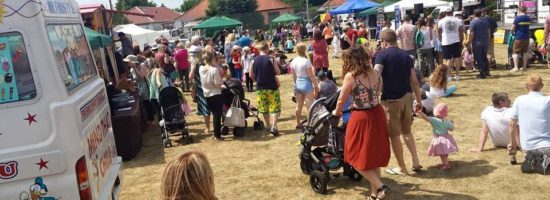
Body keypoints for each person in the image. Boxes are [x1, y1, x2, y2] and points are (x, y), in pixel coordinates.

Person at [332, 46, 390, 200]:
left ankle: (380, 187)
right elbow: (378, 93)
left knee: (353, 156)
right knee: (373, 156)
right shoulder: (376, 73)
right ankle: (374, 194)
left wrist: (336, 112)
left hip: (361, 117)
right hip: (377, 114)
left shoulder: (351, 76)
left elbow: (341, 98)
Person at [374, 30, 423, 175]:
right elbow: (414, 80)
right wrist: (419, 100)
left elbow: (376, 75)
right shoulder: (406, 56)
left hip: (390, 100)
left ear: (384, 41)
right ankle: (415, 161)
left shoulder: (381, 56)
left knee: (394, 135)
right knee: (407, 131)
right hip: (407, 97)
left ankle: (402, 168)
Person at [508, 75, 550, 166]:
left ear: (526, 86)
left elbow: (512, 124)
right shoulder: (548, 100)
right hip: (547, 145)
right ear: (542, 86)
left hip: (528, 148)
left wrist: (513, 145)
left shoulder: (519, 100)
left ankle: (538, 161)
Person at [249, 42, 281, 136]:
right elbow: (278, 72)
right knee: (274, 107)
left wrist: (257, 80)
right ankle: (274, 126)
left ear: (259, 50)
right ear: (267, 49)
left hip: (260, 87)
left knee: (264, 108)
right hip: (272, 87)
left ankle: (269, 125)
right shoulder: (271, 59)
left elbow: (250, 75)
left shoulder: (253, 60)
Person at [417, 103, 458, 170]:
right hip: (447, 138)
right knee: (444, 151)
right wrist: (452, 123)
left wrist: (420, 112)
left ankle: (446, 165)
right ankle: (446, 160)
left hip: (439, 139)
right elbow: (452, 129)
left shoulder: (434, 120)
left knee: (442, 154)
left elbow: (426, 118)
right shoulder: (447, 122)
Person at [290, 43, 319, 129]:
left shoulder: (293, 61)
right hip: (306, 84)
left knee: (299, 105)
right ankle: (310, 123)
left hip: (298, 83)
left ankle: (298, 123)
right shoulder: (306, 61)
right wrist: (316, 85)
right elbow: (311, 75)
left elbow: (294, 76)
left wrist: (295, 85)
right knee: (309, 105)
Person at [200, 50, 224, 141]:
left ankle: (216, 134)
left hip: (207, 94)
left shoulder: (201, 69)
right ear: (212, 59)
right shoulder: (214, 70)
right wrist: (222, 81)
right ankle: (217, 136)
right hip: (216, 93)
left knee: (214, 114)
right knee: (217, 115)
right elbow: (217, 83)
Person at [189, 48, 211, 135]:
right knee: (213, 107)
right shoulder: (208, 63)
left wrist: (193, 67)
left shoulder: (196, 64)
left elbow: (190, 77)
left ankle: (207, 128)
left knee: (205, 108)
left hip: (201, 89)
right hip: (210, 87)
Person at [438, 8, 464, 81]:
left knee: (448, 59)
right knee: (457, 57)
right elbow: (461, 31)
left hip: (446, 41)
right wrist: (461, 39)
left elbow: (438, 30)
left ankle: (448, 76)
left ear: (446, 12)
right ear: (452, 12)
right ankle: (458, 75)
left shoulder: (441, 21)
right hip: (456, 40)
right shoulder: (458, 20)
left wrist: (440, 37)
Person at [468, 9, 491, 79]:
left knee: (479, 57)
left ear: (474, 14)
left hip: (477, 42)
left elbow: (471, 34)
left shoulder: (473, 22)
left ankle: (482, 73)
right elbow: (489, 32)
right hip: (485, 42)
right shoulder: (486, 21)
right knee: (484, 57)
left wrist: (469, 42)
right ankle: (487, 71)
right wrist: (488, 40)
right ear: (481, 13)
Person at [510, 6, 531, 72]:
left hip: (519, 37)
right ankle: (524, 67)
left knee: (515, 52)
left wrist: (512, 33)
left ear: (519, 10)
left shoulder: (517, 18)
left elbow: (512, 28)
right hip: (527, 37)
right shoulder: (528, 18)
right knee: (525, 52)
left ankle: (516, 67)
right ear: (526, 10)